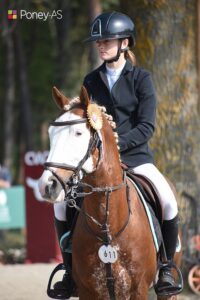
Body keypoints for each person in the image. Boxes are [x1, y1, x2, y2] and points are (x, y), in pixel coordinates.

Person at [52, 11, 182, 299]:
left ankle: (166, 268)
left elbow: (146, 125)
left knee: (168, 200)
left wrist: (117, 147)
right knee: (60, 205)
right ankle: (68, 271)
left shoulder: (141, 79)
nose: (100, 46)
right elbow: (88, 124)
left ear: (125, 43)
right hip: (98, 163)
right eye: (98, 42)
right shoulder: (91, 80)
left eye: (106, 41)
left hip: (136, 158)